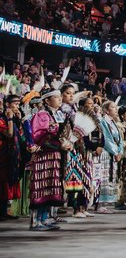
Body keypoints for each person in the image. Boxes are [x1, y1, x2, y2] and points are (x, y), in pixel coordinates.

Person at [29, 89, 67, 230]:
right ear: (46, 100)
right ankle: (35, 221)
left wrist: (64, 143)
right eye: (56, 97)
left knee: (50, 187)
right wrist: (57, 143)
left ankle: (45, 218)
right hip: (44, 156)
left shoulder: (57, 115)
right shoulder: (42, 115)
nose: (60, 99)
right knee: (41, 186)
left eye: (59, 97)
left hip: (54, 155)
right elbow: (38, 135)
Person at [0, 94, 25, 220]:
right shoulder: (2, 119)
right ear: (7, 105)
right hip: (2, 153)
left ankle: (4, 210)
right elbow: (9, 134)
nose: (17, 106)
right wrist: (10, 119)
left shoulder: (13, 118)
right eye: (15, 104)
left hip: (12, 155)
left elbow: (20, 135)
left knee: (8, 181)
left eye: (18, 104)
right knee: (2, 181)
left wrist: (18, 120)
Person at [95, 100, 122, 212]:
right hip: (106, 153)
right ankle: (99, 204)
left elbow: (119, 139)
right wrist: (116, 152)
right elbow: (106, 138)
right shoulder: (102, 122)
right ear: (106, 110)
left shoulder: (112, 122)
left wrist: (120, 151)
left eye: (116, 108)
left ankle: (104, 204)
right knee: (103, 178)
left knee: (110, 178)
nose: (116, 110)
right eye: (113, 108)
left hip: (113, 154)